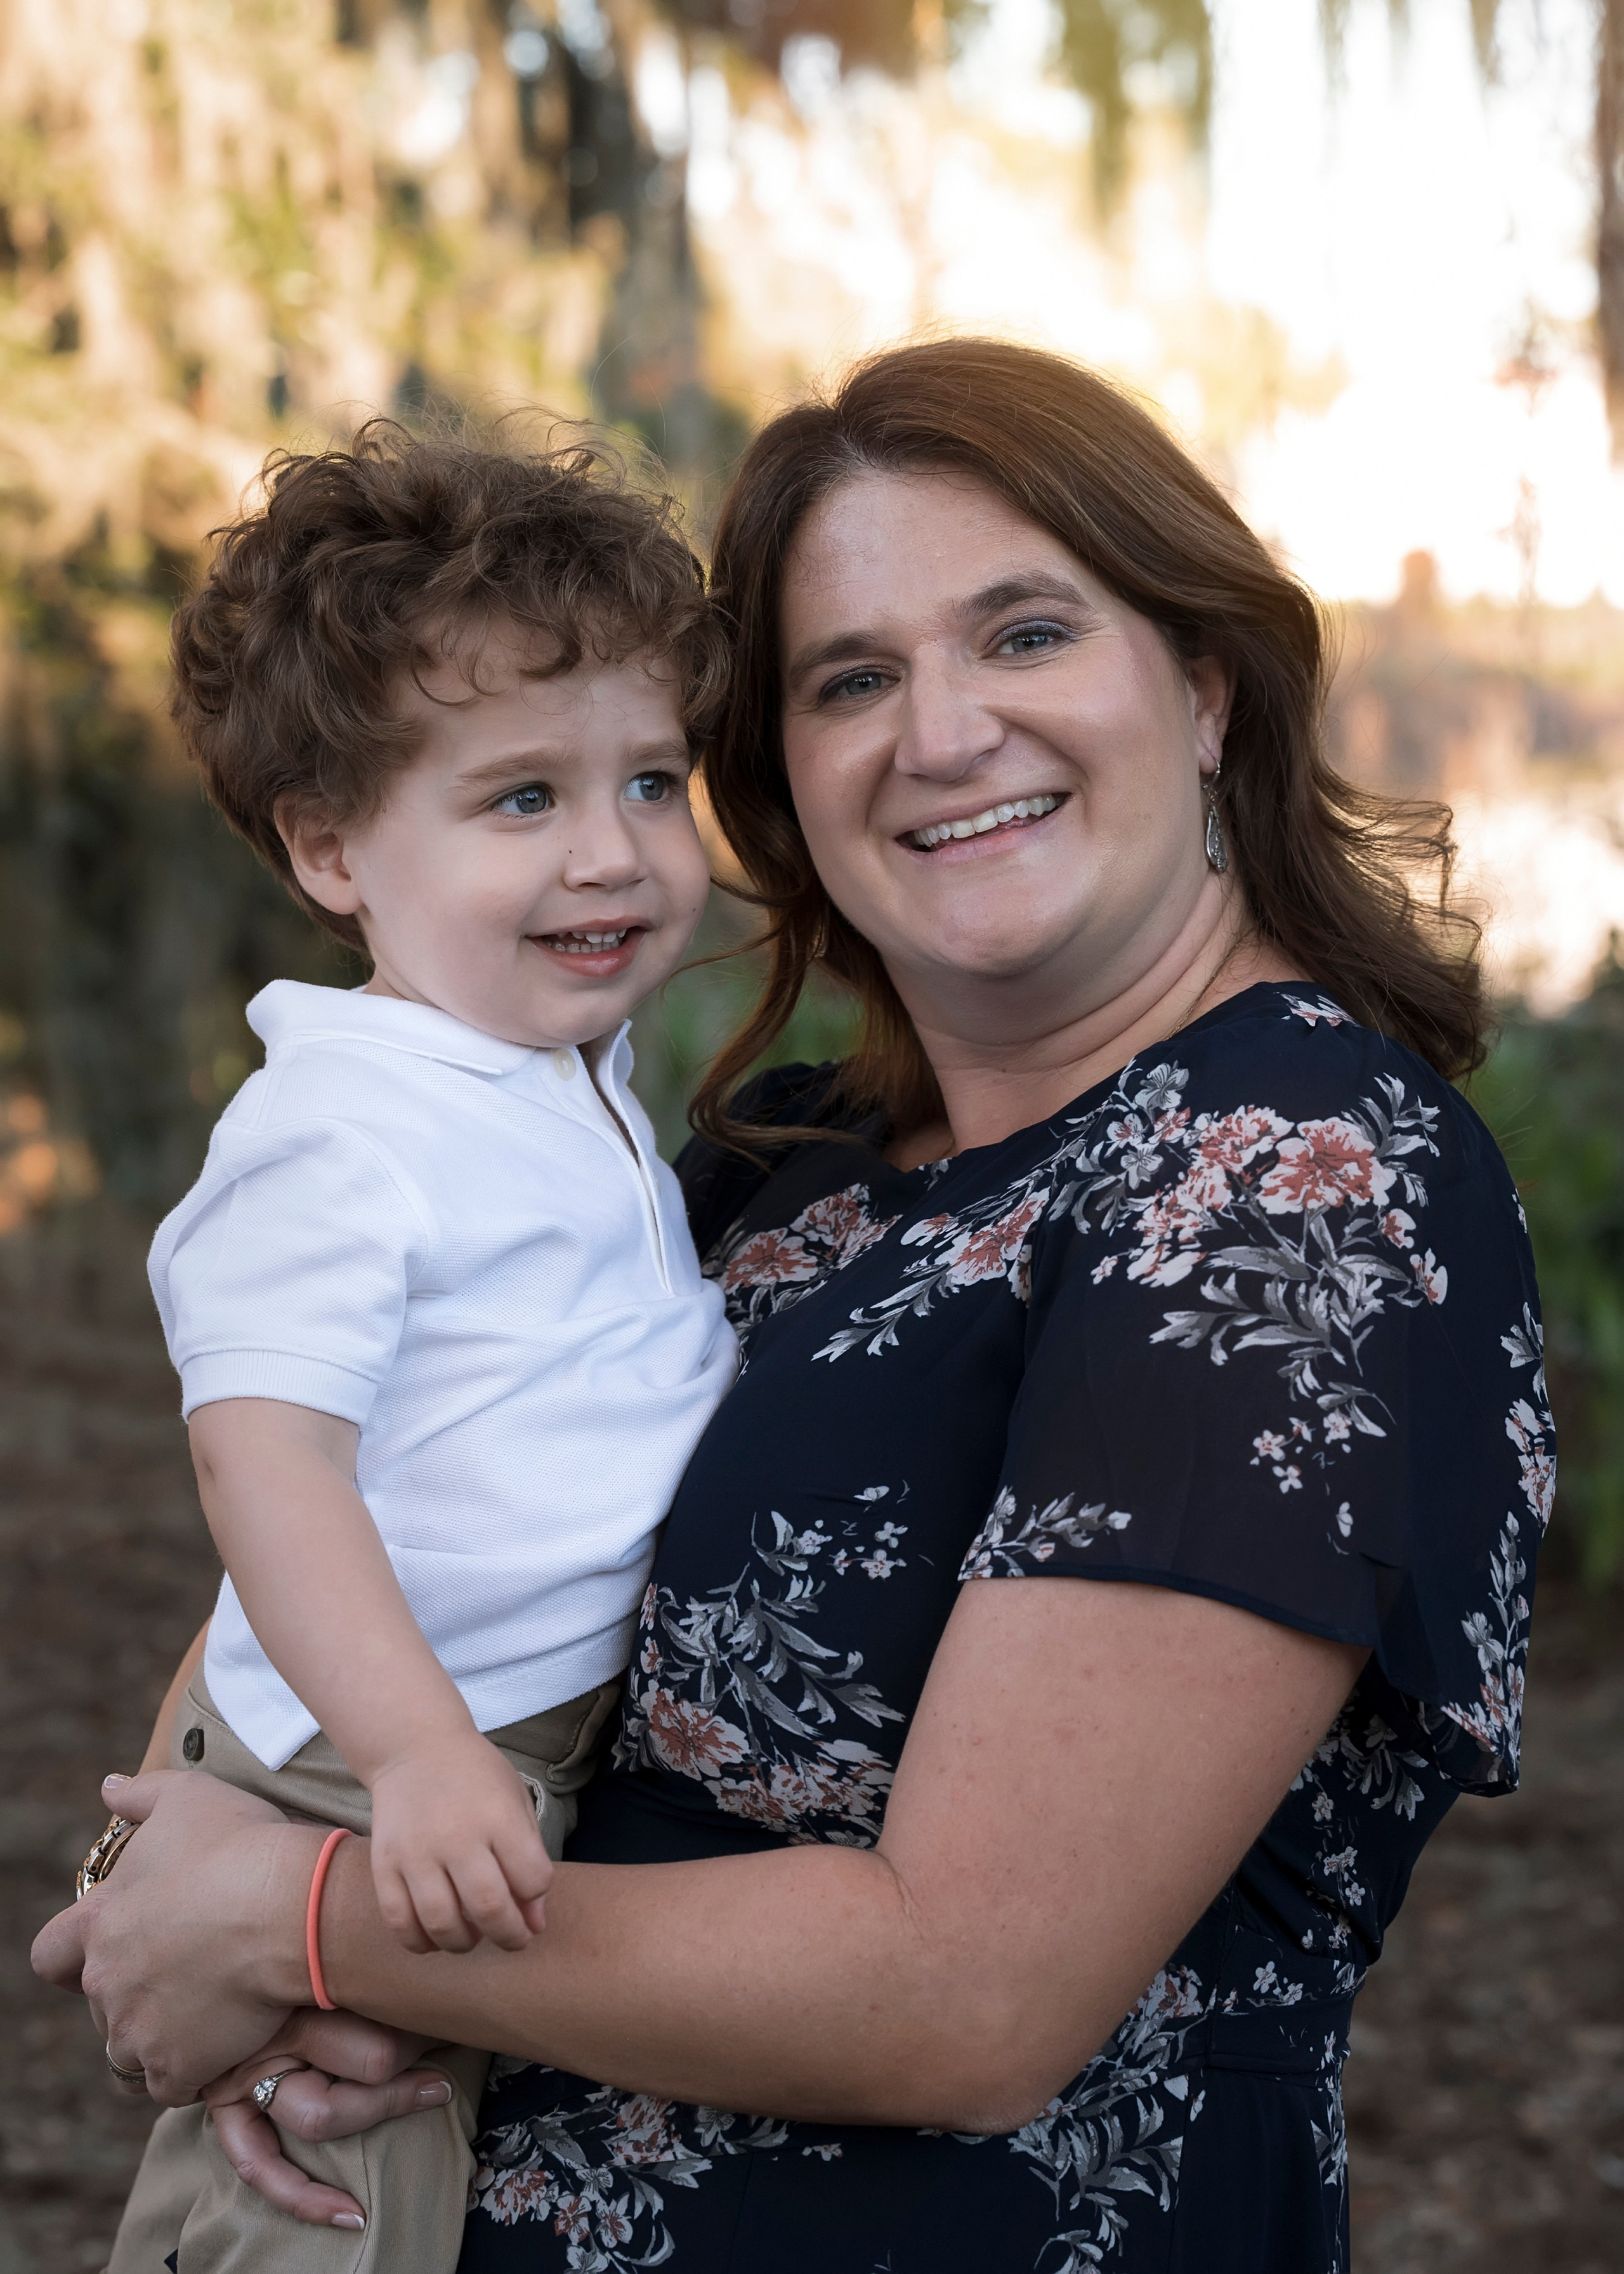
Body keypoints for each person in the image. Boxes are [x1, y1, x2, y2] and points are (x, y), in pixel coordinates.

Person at [36, 339, 1549, 2274]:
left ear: (1204, 687)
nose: (942, 732)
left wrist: (294, 1924)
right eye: (851, 680)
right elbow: (378, 1508)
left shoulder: (1286, 1183)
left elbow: (966, 1994)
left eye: (1024, 634)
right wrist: (176, 1868)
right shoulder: (778, 1170)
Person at [96, 423, 738, 2268]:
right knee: (334, 2189)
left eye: (651, 781)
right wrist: (416, 1757)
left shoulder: (551, 1069)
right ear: (330, 848)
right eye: (520, 799)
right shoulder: (341, 1129)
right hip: (379, 1752)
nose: (612, 852)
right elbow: (265, 1465)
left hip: (464, 1742)